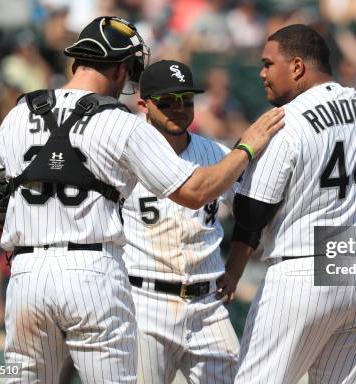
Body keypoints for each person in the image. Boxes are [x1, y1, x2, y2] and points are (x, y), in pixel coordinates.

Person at [0, 16, 283, 383]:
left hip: (26, 274)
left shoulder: (19, 113)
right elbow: (195, 192)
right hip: (91, 270)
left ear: (79, 61)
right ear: (122, 69)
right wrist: (247, 145)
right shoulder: (119, 122)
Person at [217, 24, 356, 383]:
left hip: (303, 271)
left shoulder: (286, 122)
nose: (262, 73)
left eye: (269, 63)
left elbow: (251, 212)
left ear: (298, 67)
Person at [122, 60, 239, 383]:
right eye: (167, 101)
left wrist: (237, 266)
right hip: (146, 301)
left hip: (208, 305)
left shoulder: (215, 153)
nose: (179, 108)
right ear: (143, 104)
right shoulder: (123, 155)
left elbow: (253, 211)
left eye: (186, 100)